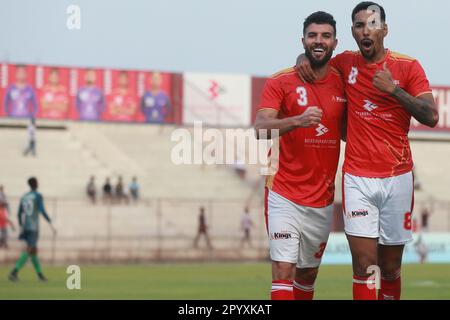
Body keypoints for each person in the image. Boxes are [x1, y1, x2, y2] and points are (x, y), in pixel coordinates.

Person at [296, 1, 439, 300]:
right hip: (358, 177)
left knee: (390, 267)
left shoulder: (408, 66)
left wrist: (394, 90)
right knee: (364, 266)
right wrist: (302, 57)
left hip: (397, 176)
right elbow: (316, 60)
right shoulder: (346, 63)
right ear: (352, 31)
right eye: (359, 25)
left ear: (384, 29)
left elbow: (431, 115)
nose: (366, 30)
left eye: (372, 24)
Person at [255, 12, 346, 300]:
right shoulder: (280, 81)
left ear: (334, 42)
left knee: (307, 275)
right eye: (312, 36)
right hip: (283, 192)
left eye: (325, 36)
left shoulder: (343, 82)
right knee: (283, 270)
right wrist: (297, 120)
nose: (318, 41)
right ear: (303, 40)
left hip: (321, 198)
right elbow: (260, 129)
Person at [8, 177, 57, 282]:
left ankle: (40, 275)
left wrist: (21, 225)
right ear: (35, 184)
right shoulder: (37, 196)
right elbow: (41, 210)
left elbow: (19, 213)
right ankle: (14, 272)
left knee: (34, 251)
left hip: (25, 226)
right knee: (30, 249)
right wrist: (50, 222)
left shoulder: (24, 196)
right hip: (33, 227)